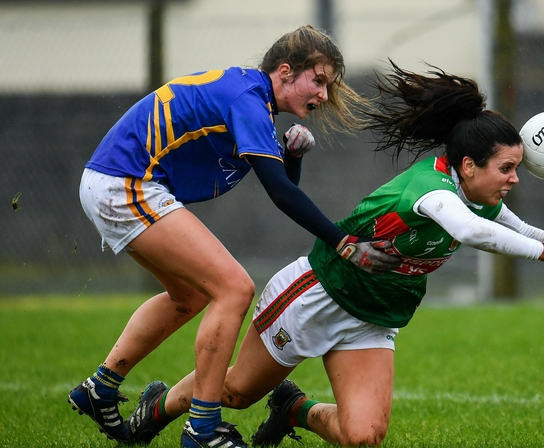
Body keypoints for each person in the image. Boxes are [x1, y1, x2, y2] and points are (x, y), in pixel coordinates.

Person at [124, 62, 544, 447]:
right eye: (506, 170)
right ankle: (159, 406)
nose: (514, 180)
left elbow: (517, 228)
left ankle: (295, 409)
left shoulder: (472, 193)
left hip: (374, 317)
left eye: (517, 169)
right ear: (468, 166)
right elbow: (475, 233)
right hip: (318, 295)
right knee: (235, 392)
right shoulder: (431, 194)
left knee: (364, 437)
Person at [68, 26, 400, 448]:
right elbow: (281, 194)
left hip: (118, 182)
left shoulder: (251, 97)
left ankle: (99, 389)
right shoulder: (248, 100)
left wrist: (290, 156)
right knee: (235, 288)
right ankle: (202, 429)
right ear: (284, 72)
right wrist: (343, 242)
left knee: (189, 296)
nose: (323, 94)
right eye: (318, 80)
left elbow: (279, 182)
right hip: (125, 182)